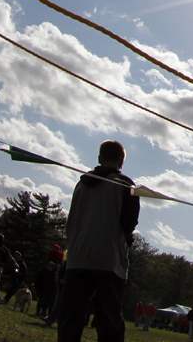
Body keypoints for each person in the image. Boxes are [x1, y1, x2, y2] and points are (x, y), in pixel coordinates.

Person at [58, 140, 140, 342]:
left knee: (71, 319)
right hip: (108, 260)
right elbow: (129, 223)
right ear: (121, 161)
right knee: (109, 322)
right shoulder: (125, 185)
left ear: (99, 158)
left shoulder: (81, 184)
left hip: (77, 257)